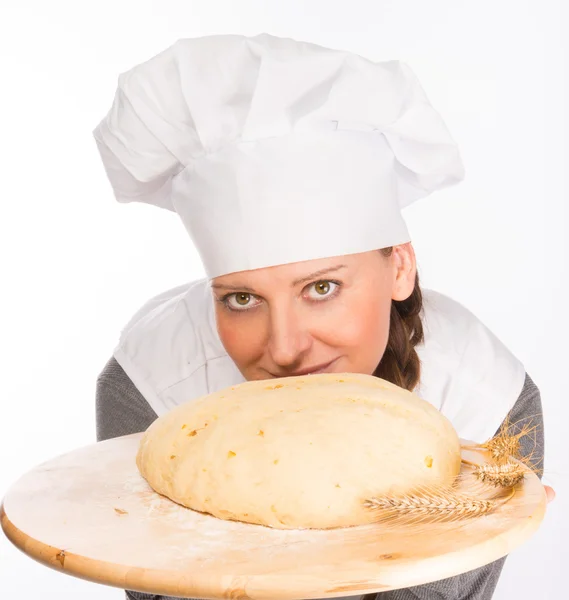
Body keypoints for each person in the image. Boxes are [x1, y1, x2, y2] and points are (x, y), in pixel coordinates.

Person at [93, 33, 553, 600]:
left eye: (322, 287)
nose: (284, 349)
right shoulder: (148, 384)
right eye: (241, 298)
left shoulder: (487, 402)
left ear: (401, 267)